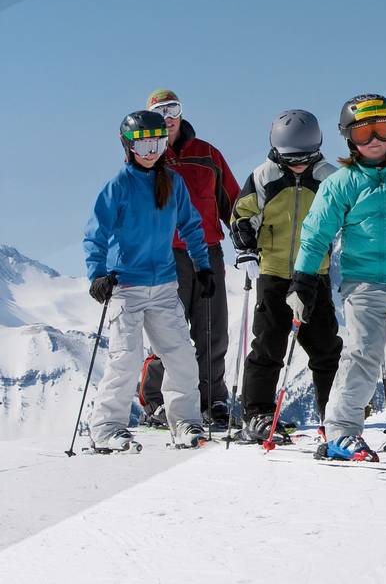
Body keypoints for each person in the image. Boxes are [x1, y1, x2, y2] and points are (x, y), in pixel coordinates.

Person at [289, 94, 386, 462]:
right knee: (363, 352)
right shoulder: (342, 183)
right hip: (363, 281)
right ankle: (342, 433)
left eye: (381, 129)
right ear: (349, 139)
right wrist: (302, 278)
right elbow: (316, 232)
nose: (374, 140)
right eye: (364, 133)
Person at [83, 110, 212, 451]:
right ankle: (107, 429)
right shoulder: (118, 187)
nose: (151, 150)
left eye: (157, 142)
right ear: (128, 146)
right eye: (142, 144)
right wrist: (97, 274)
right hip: (126, 286)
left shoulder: (173, 182)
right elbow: (95, 235)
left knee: (181, 356)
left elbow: (191, 225)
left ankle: (186, 423)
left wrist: (203, 265)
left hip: (165, 285)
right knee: (125, 358)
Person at [229, 110, 342, 444]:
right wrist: (246, 245)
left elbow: (346, 215)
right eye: (290, 159)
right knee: (268, 346)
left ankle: (333, 414)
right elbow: (241, 215)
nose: (298, 166)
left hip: (315, 275)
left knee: (325, 347)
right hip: (273, 273)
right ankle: (258, 414)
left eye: (305, 158)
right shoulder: (263, 177)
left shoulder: (328, 177)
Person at [137, 89, 240, 430]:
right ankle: (156, 400)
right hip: (165, 253)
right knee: (169, 331)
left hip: (208, 251)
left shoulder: (207, 155)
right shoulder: (146, 157)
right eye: (159, 110)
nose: (167, 116)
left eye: (173, 108)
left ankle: (213, 400)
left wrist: (244, 233)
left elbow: (232, 201)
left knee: (213, 328)